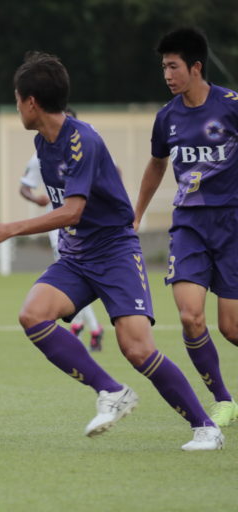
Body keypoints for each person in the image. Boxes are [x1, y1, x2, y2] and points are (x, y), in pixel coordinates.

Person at [0, 52, 223, 450]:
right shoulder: (43, 142)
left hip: (115, 252)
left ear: (31, 102)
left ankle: (206, 427)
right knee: (33, 314)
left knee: (137, 349)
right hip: (77, 255)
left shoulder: (82, 140)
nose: (16, 107)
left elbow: (73, 210)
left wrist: (8, 229)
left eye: (17, 100)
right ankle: (111, 391)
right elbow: (66, 211)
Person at [133, 27, 238, 428]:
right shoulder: (167, 117)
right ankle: (223, 400)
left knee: (231, 328)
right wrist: (136, 215)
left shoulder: (230, 106)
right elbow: (156, 164)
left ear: (196, 67)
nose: (167, 75)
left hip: (232, 224)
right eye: (163, 67)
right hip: (189, 226)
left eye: (173, 66)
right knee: (191, 317)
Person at [19, 107, 105, 351]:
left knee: (86, 277)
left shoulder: (89, 145)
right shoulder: (41, 153)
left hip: (93, 226)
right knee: (74, 275)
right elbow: (24, 186)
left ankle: (85, 326)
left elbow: (114, 171)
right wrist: (36, 198)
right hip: (59, 226)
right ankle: (88, 327)